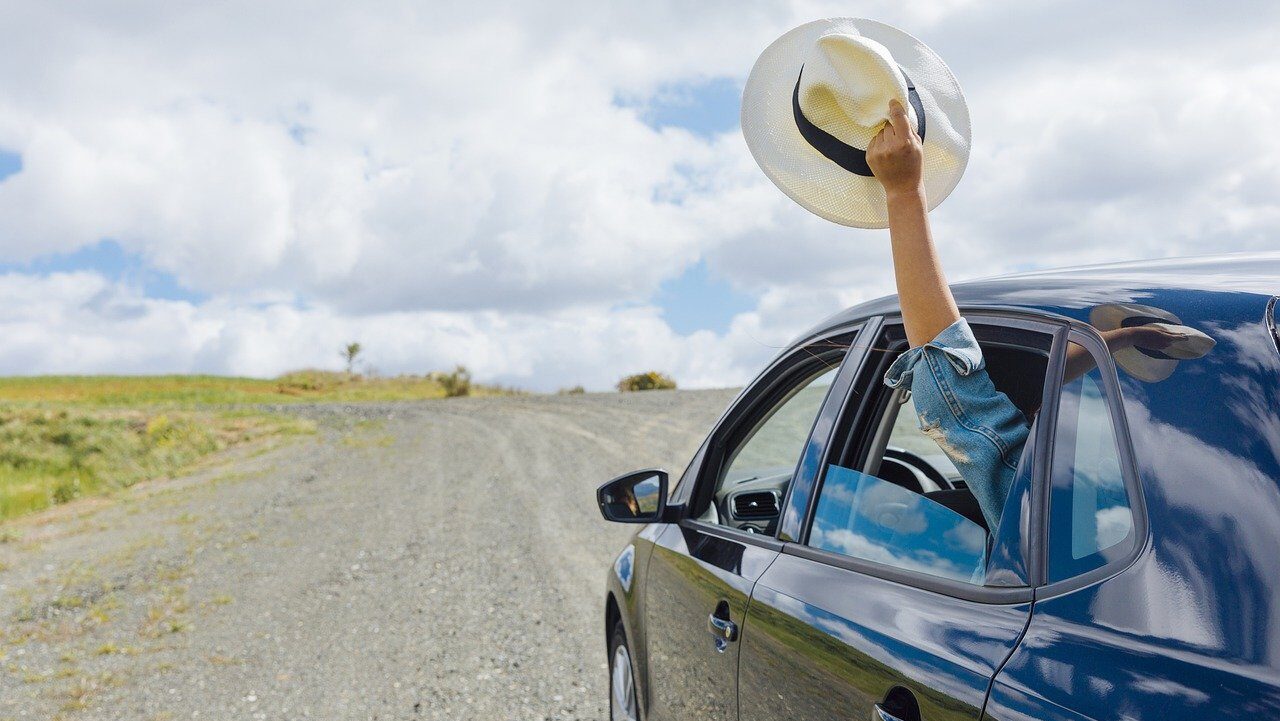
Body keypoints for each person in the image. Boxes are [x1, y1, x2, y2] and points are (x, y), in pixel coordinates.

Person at [865, 99, 1186, 530]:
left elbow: (953, 394)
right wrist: (1126, 338)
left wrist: (903, 194)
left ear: (1028, 415)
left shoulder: (1043, 511)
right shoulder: (1162, 496)